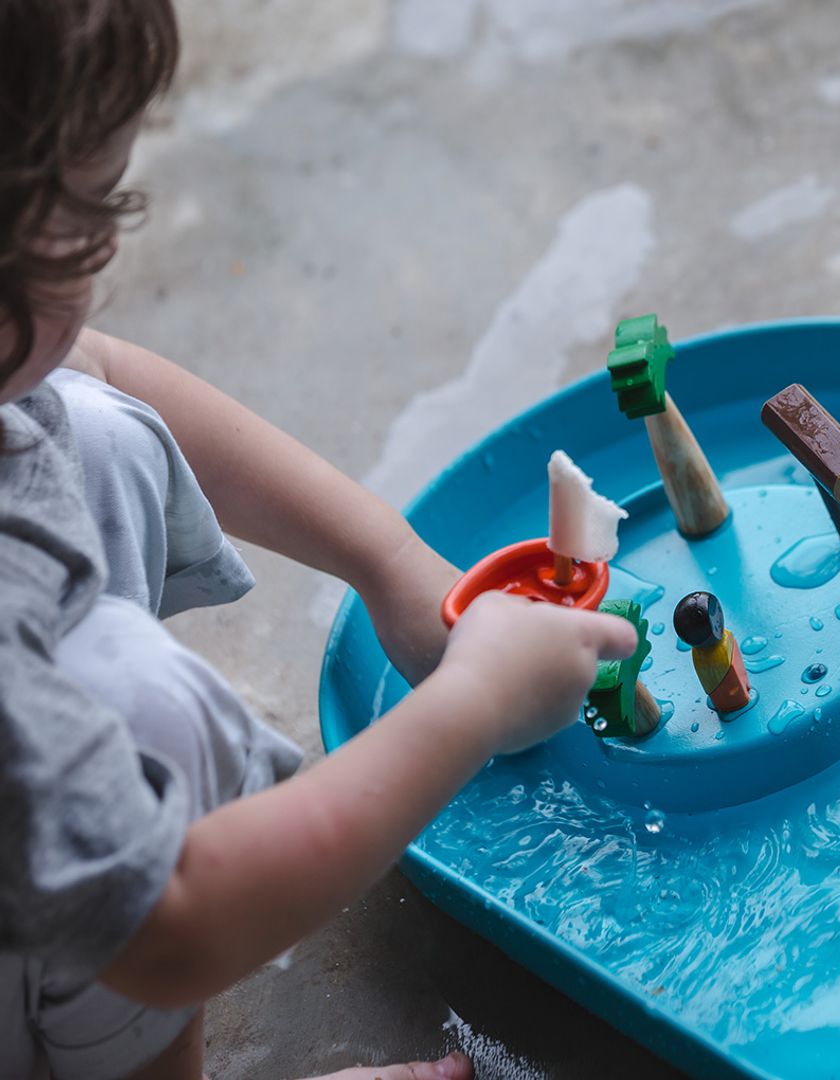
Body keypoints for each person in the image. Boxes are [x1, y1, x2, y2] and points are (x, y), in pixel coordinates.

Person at [0, 3, 639, 1078]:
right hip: (146, 915)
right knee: (149, 709)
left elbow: (89, 368)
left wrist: (390, 565)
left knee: (78, 426)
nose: (110, 249)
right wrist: (473, 703)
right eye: (94, 211)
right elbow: (175, 922)